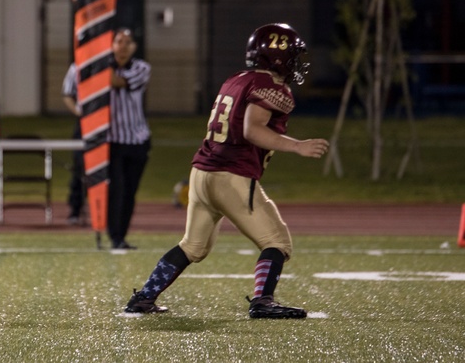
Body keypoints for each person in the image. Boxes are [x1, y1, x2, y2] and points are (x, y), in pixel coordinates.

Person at [123, 23, 329, 319]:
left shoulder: (237, 78)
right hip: (231, 175)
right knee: (277, 242)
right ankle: (263, 301)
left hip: (202, 173)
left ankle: (144, 297)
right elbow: (252, 130)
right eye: (293, 55)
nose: (296, 62)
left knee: (193, 246)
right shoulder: (272, 87)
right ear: (277, 56)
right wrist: (297, 146)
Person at [106, 27, 152, 249]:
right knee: (116, 189)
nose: (123, 46)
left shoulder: (142, 68)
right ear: (112, 45)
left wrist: (94, 63)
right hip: (112, 140)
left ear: (134, 47)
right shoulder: (104, 68)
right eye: (119, 41)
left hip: (136, 139)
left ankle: (121, 236)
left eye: (127, 42)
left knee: (130, 191)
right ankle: (114, 235)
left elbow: (118, 82)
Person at [61, 62, 85, 226]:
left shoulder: (111, 64)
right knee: (79, 167)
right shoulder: (77, 67)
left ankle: (110, 215)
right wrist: (79, 112)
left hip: (110, 125)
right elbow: (67, 94)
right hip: (84, 124)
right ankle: (75, 209)